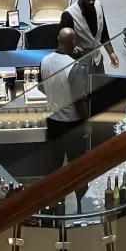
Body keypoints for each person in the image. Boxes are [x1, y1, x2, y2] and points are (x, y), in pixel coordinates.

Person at [39, 27, 91, 166]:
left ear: (58, 40)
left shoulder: (44, 61)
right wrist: (87, 122)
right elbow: (79, 100)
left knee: (54, 164)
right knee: (76, 165)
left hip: (52, 119)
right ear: (73, 42)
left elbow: (41, 87)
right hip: (71, 123)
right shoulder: (73, 67)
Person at [62, 0, 121, 71]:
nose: (91, 2)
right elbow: (62, 42)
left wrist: (111, 53)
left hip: (97, 59)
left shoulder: (98, 6)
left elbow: (104, 33)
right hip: (79, 64)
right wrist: (73, 49)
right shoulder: (69, 15)